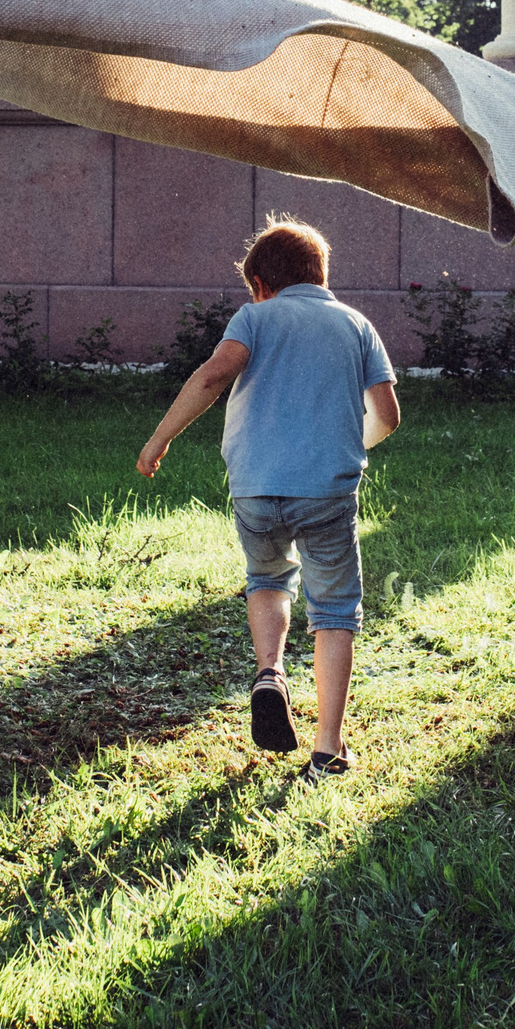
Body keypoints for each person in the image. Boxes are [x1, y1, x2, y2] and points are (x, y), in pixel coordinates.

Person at [136, 218, 400, 779]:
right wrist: (351, 442)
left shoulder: (254, 317)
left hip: (254, 487)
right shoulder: (356, 325)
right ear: (320, 275)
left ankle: (269, 673)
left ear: (259, 282)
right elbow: (389, 415)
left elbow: (212, 377)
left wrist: (160, 438)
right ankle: (328, 748)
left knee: (268, 579)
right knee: (332, 609)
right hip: (326, 491)